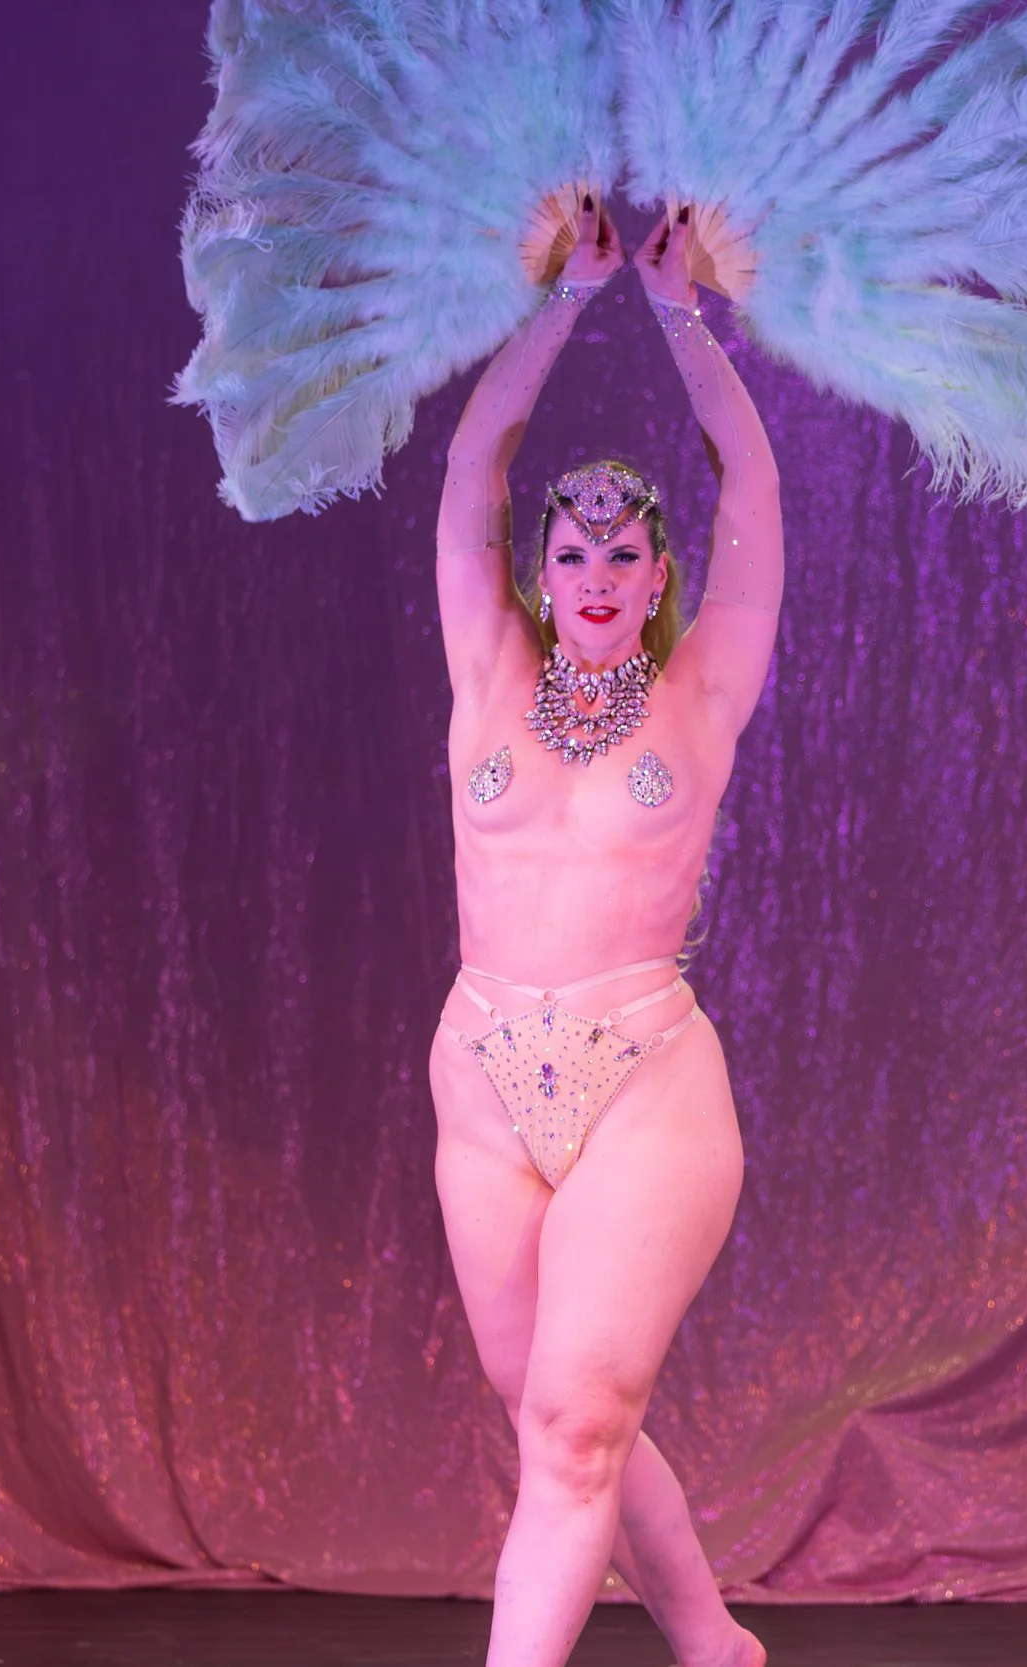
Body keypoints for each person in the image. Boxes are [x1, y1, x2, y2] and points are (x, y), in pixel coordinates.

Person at [428, 195, 781, 1667]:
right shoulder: (489, 668)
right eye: (569, 554)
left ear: (655, 575)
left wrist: (684, 318)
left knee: (573, 1426)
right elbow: (469, 470)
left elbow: (751, 495)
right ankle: (710, 1638)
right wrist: (566, 302)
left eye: (620, 555)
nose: (590, 577)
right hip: (483, 1077)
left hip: (644, 1075)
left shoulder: (699, 694)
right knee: (563, 1418)